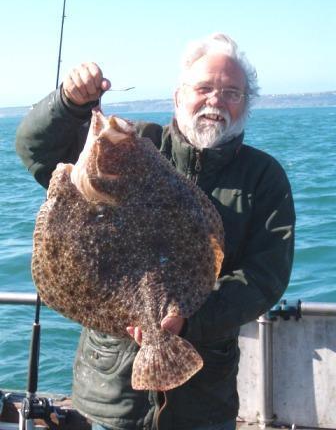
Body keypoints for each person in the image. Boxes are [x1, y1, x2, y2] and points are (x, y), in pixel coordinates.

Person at [16, 33, 295, 430]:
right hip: (111, 393)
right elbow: (35, 150)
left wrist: (188, 318)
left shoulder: (263, 176)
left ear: (246, 104)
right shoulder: (137, 142)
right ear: (178, 95)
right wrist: (68, 104)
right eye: (204, 88)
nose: (216, 100)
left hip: (203, 401)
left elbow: (265, 277)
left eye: (231, 92)